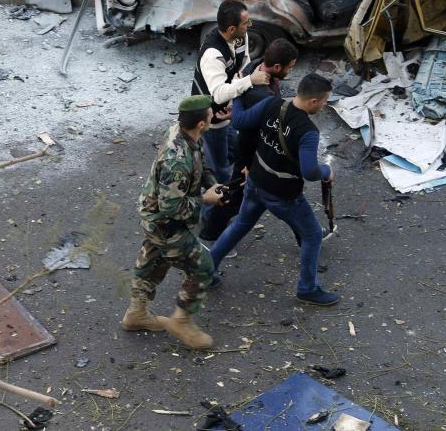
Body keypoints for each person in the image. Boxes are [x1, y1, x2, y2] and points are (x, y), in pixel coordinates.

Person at [209, 73, 339, 306]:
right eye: (324, 101)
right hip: (283, 193)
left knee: (240, 225)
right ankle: (307, 288)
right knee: (311, 234)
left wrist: (238, 95)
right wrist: (326, 171)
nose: (324, 105)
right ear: (313, 102)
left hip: (256, 181)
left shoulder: (272, 104)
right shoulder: (308, 132)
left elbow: (239, 121)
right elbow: (310, 172)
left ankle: (206, 271)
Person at [122, 95, 226, 349]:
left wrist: (214, 186)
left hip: (154, 218)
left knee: (151, 262)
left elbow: (201, 165)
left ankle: (136, 314)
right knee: (202, 266)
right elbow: (172, 208)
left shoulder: (182, 131)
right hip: (165, 224)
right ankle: (181, 320)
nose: (215, 116)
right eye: (211, 116)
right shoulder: (177, 161)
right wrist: (205, 199)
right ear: (201, 124)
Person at [199, 38, 299, 244]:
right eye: (289, 67)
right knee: (237, 198)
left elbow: (240, 97)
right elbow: (243, 125)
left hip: (250, 152)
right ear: (277, 66)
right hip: (251, 153)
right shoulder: (263, 96)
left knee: (241, 198)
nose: (290, 71)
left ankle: (305, 234)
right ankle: (209, 235)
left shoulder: (254, 69)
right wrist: (246, 164)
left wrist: (234, 111)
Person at [191, 0, 270, 203]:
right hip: (212, 117)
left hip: (227, 111)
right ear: (231, 28)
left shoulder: (239, 37)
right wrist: (249, 81)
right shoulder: (212, 54)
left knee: (233, 153)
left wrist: (242, 79)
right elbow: (218, 94)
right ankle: (214, 210)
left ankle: (227, 195)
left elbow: (242, 63)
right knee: (219, 167)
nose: (250, 26)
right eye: (246, 23)